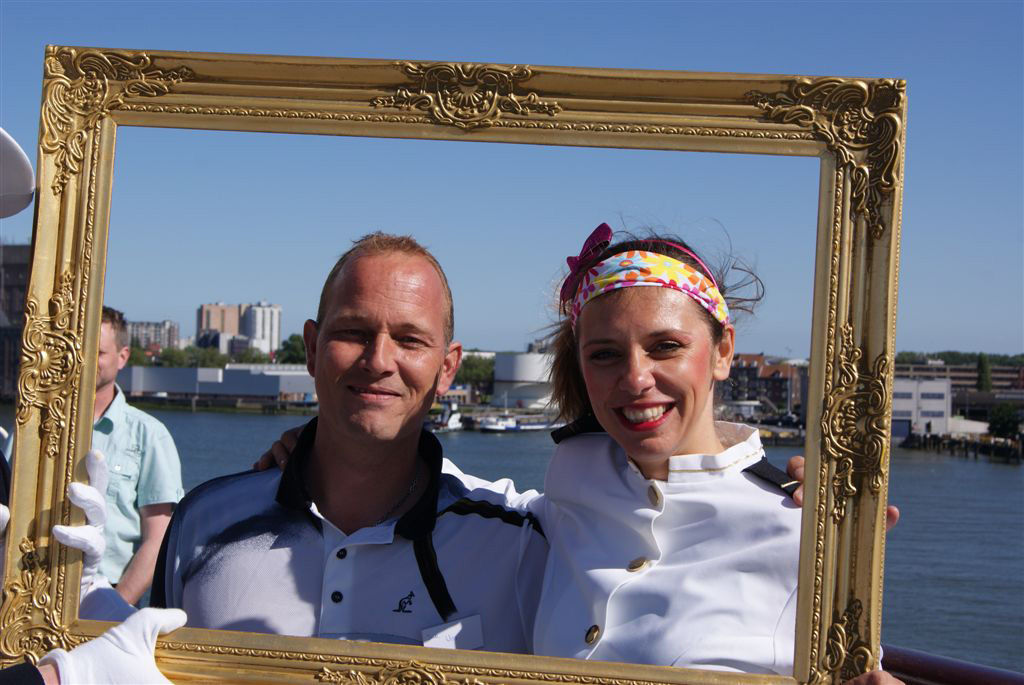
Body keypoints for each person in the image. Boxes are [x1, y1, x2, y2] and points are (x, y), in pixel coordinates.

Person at [150, 233, 547, 650]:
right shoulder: (204, 521)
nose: (378, 361)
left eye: (410, 340)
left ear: (447, 369)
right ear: (311, 348)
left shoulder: (517, 539)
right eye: (354, 332)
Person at [92, 306, 184, 604]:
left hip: (108, 594)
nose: (85, 359)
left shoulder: (148, 435)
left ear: (123, 356)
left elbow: (157, 540)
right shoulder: (31, 427)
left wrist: (112, 610)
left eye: (98, 352)